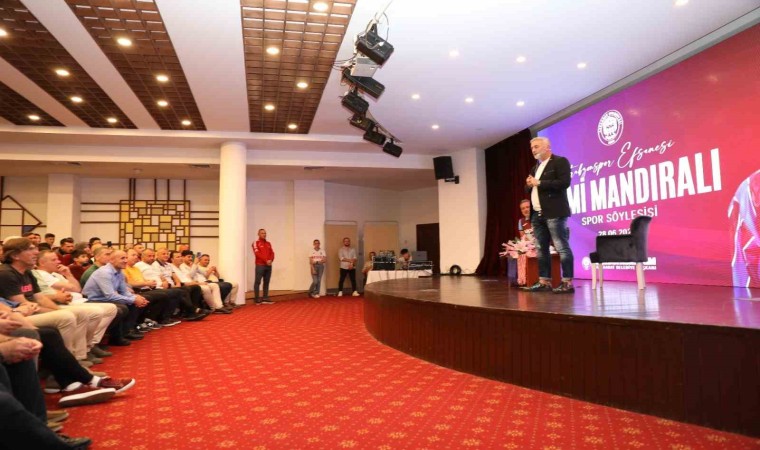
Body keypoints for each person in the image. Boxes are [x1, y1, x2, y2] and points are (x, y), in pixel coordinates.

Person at [523, 137, 575, 293]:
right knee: (541, 248)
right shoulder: (535, 168)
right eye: (532, 148)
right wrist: (529, 184)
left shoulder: (559, 162)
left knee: (561, 247)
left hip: (554, 212)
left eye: (536, 146)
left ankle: (567, 282)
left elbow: (564, 183)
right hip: (537, 214)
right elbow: (528, 189)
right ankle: (544, 281)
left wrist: (539, 183)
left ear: (547, 147)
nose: (533, 150)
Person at [252, 229, 274, 305]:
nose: (264, 234)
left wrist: (271, 260)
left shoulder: (268, 243)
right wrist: (266, 260)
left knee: (266, 282)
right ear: (258, 234)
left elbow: (272, 253)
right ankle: (257, 299)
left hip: (268, 265)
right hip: (260, 265)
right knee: (257, 282)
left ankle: (265, 298)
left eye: (265, 233)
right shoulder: (255, 243)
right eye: (262, 233)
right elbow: (257, 253)